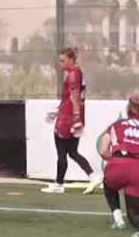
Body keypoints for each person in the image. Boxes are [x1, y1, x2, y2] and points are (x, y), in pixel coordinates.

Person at [98, 96, 139, 237]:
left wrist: (114, 161)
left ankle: (118, 219)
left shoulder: (115, 126)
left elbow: (103, 151)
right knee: (134, 216)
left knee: (108, 184)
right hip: (137, 170)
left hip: (116, 165)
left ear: (127, 112)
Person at [41, 47, 102, 194]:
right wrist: (59, 110)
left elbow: (74, 97)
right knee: (73, 152)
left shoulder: (73, 75)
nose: (60, 64)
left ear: (71, 60)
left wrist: (75, 116)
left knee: (62, 152)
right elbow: (71, 98)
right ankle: (93, 176)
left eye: (63, 61)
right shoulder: (78, 73)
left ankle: (59, 184)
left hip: (67, 119)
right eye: (59, 61)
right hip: (70, 115)